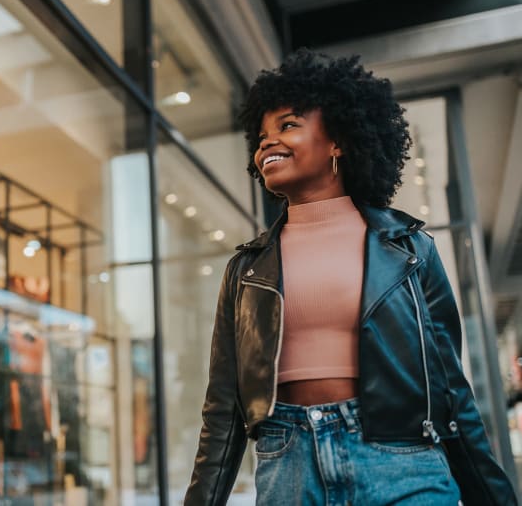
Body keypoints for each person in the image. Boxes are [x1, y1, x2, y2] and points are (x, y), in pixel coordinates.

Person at [184, 49, 517, 506]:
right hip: (288, 463)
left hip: (401, 460)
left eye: (287, 125)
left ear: (338, 140)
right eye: (261, 135)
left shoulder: (410, 251)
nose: (266, 143)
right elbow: (223, 407)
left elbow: (450, 389)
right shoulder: (245, 270)